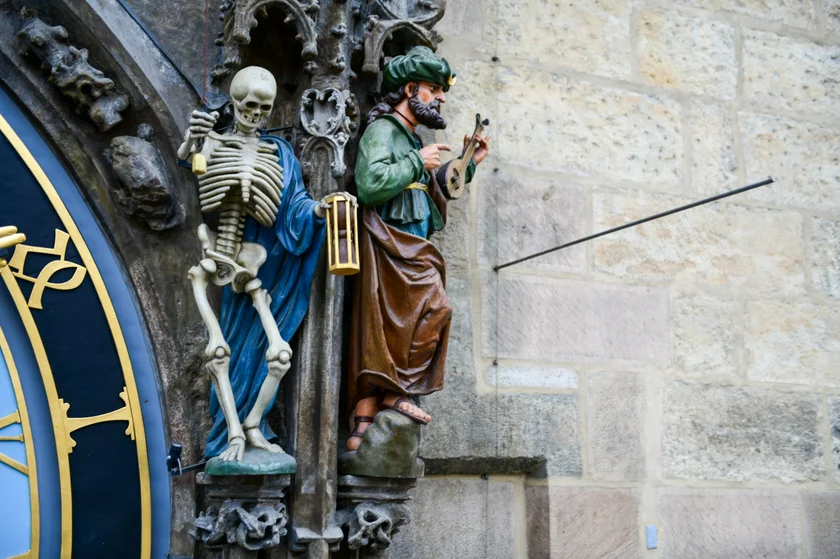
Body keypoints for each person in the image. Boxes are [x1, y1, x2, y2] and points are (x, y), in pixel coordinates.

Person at [347, 46, 490, 450]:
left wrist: (468, 162)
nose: (440, 97)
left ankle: (365, 419)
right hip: (388, 244)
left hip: (412, 246)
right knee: (413, 316)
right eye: (433, 88)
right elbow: (369, 185)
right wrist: (416, 161)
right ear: (410, 89)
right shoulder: (383, 131)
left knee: (401, 324)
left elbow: (427, 190)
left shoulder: (410, 138)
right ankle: (391, 393)